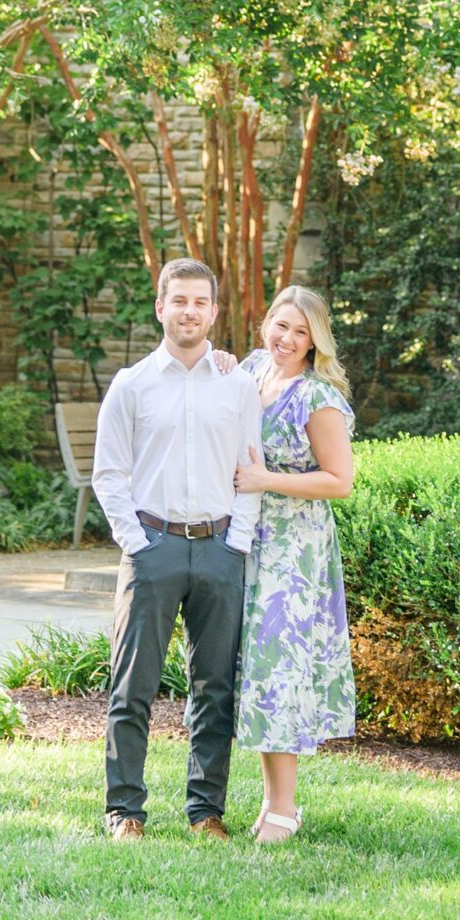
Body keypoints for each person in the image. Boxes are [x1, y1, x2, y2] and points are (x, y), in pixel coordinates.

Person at [90, 257, 263, 841]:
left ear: (214, 312)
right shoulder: (131, 385)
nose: (189, 311)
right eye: (178, 300)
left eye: (200, 302)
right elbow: (108, 474)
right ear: (160, 307)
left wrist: (236, 541)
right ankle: (125, 811)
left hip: (219, 549)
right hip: (153, 546)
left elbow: (251, 470)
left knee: (216, 687)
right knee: (132, 684)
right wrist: (137, 543)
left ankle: (205, 810)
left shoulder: (237, 385)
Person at [231, 284, 356, 844]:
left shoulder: (317, 397)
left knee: (278, 668)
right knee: (255, 672)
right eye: (281, 325)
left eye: (300, 332)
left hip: (293, 553)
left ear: (316, 341)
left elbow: (339, 481)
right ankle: (268, 801)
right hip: (245, 541)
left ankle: (283, 807)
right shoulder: (253, 371)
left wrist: (266, 480)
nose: (286, 338)